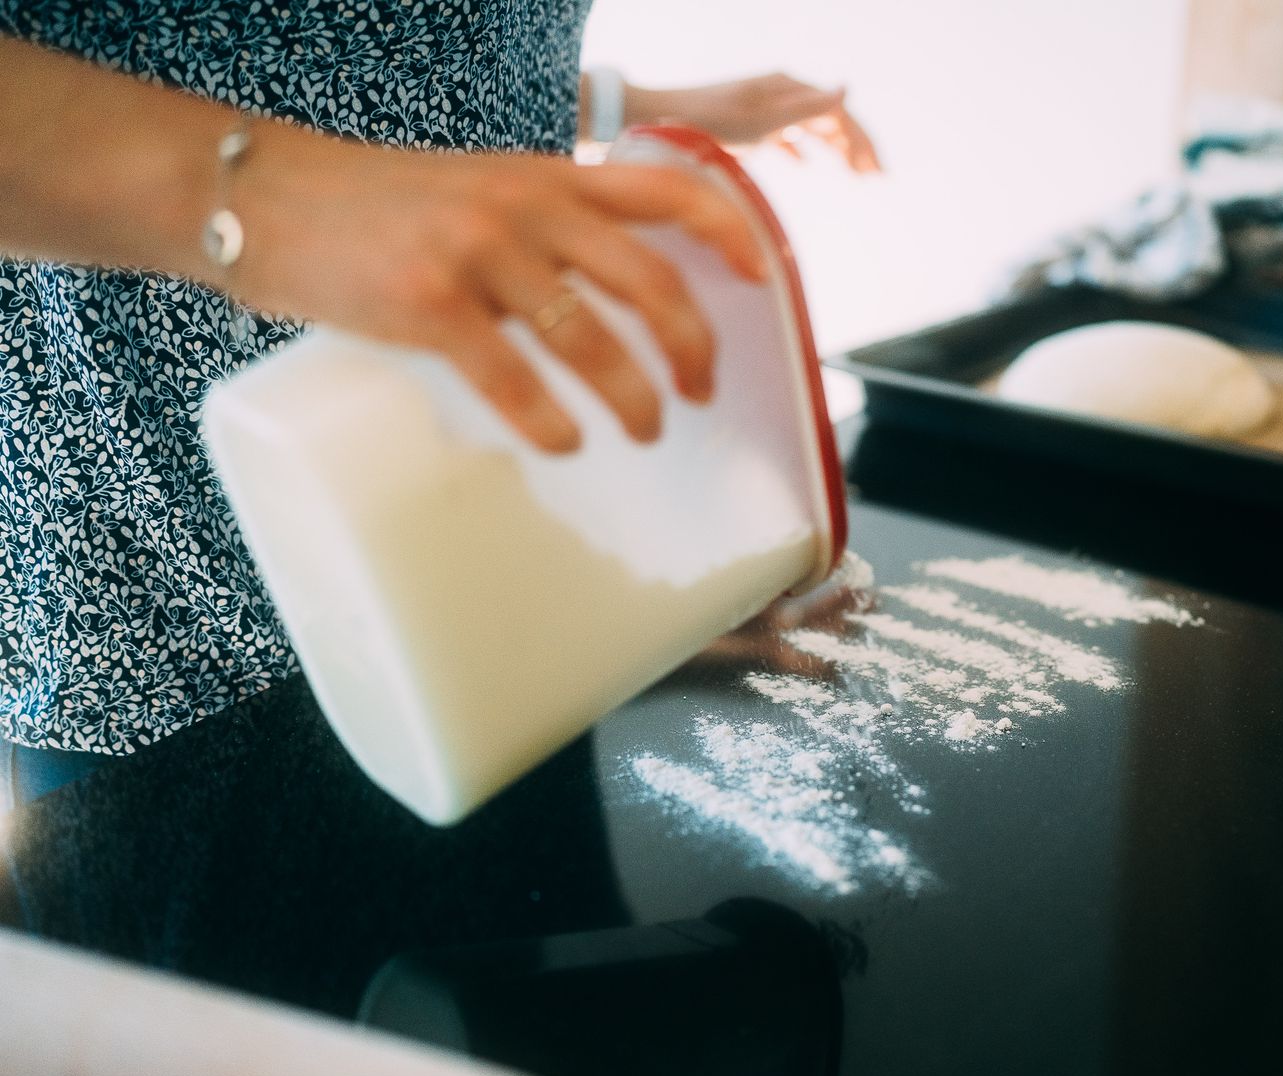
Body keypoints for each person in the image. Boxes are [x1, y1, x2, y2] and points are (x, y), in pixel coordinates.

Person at [0, 7, 876, 807]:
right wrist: (262, 195)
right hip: (174, 641)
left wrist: (620, 102)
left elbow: (359, 56)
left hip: (489, 586)